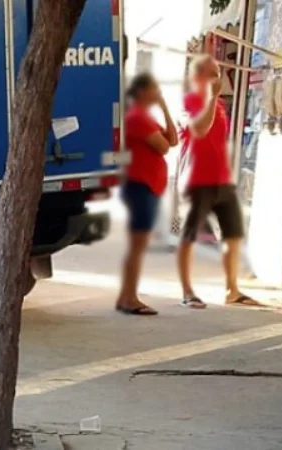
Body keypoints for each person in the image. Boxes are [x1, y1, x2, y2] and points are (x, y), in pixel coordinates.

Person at [177, 55, 256, 309]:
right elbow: (199, 129)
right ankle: (187, 291)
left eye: (218, 73)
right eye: (212, 73)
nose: (218, 79)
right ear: (197, 77)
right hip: (197, 179)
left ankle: (232, 289)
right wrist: (211, 98)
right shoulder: (188, 103)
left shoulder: (219, 104)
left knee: (233, 235)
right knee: (189, 236)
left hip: (221, 179)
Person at [116, 72, 178, 316]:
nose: (158, 93)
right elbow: (163, 146)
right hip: (140, 187)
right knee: (137, 245)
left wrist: (164, 107)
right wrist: (161, 106)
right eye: (155, 89)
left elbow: (173, 140)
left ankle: (127, 295)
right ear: (142, 92)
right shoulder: (137, 118)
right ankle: (129, 298)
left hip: (147, 187)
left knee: (138, 245)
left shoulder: (146, 118)